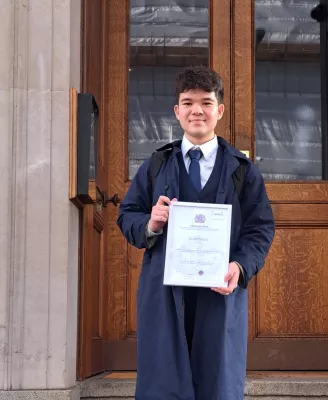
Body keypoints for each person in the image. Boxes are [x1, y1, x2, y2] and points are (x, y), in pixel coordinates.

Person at [117, 66, 275, 400]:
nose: (196, 110)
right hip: (165, 293)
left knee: (216, 382)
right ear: (177, 111)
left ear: (219, 110)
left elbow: (260, 228)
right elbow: (127, 215)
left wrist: (241, 267)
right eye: (188, 103)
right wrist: (151, 223)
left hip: (219, 292)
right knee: (163, 384)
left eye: (206, 102)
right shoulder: (157, 165)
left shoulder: (242, 171)